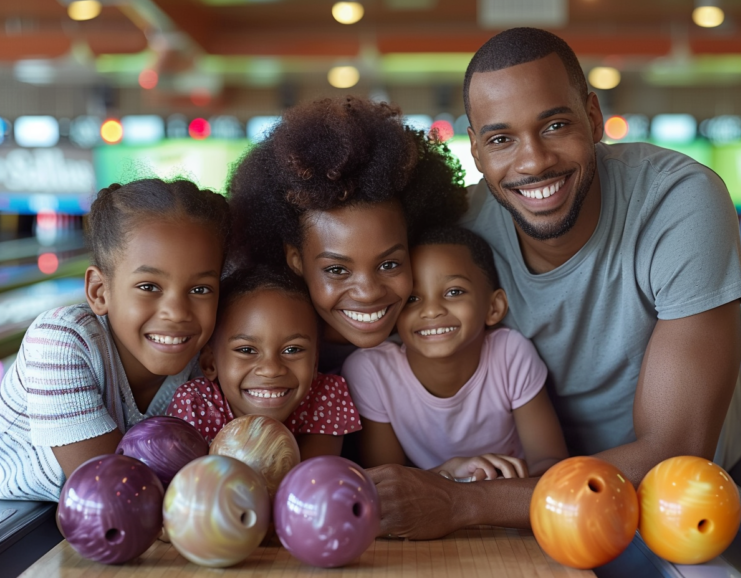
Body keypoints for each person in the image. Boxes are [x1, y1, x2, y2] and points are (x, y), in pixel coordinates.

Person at [368, 27, 741, 538]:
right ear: (477, 153)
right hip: (528, 494)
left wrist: (462, 503)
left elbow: (672, 451)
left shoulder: (678, 201)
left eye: (554, 125)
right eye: (502, 139)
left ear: (593, 118)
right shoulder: (459, 236)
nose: (533, 161)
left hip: (675, 502)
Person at [0, 178, 230, 501]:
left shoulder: (204, 358)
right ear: (98, 291)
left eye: (200, 289)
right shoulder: (60, 342)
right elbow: (114, 494)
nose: (177, 312)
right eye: (149, 286)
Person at [227, 97, 467, 366]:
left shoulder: (445, 334)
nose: (368, 292)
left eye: (389, 264)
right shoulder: (265, 362)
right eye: (337, 270)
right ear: (295, 260)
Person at [342, 227, 568, 480]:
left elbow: (551, 463)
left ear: (494, 307)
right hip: (428, 510)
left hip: (511, 501)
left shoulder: (510, 353)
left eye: (454, 292)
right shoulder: (371, 371)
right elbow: (386, 485)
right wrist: (448, 475)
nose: (431, 311)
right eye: (413, 299)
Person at [166, 265, 361, 459]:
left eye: (292, 350)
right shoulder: (195, 405)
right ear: (210, 363)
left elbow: (311, 480)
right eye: (247, 350)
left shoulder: (324, 396)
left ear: (315, 362)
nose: (271, 370)